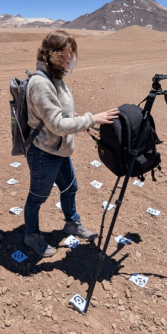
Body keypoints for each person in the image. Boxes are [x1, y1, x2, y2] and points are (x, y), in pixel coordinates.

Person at [24, 30, 119, 257]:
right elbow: (56, 124)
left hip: (60, 149)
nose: (72, 56)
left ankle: (71, 224)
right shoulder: (40, 83)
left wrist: (79, 122)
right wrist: (91, 118)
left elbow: (63, 112)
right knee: (37, 197)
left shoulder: (56, 77)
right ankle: (31, 235)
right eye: (69, 52)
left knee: (70, 188)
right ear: (57, 54)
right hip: (44, 152)